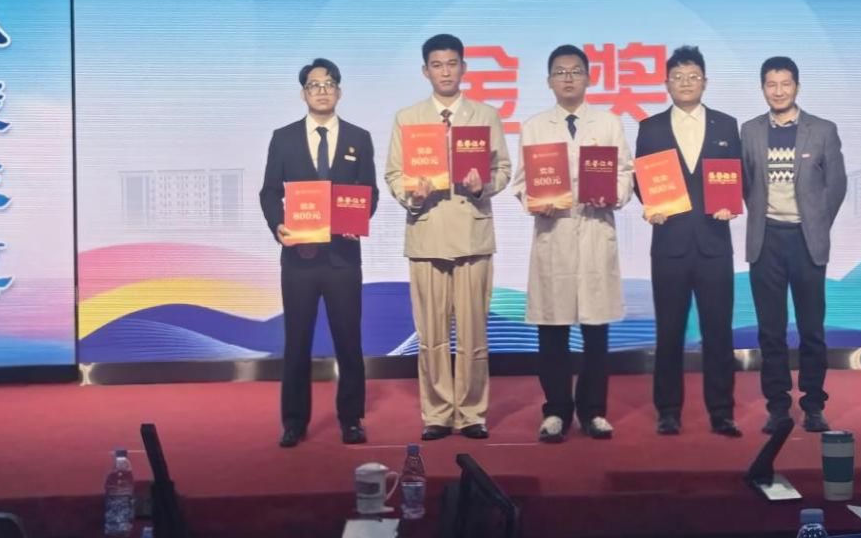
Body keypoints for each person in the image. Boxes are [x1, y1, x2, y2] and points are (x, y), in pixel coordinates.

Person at [385, 33, 511, 440]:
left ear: (463, 68)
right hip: (427, 235)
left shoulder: (485, 115)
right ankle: (437, 412)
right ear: (426, 71)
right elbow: (393, 174)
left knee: (473, 332)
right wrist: (412, 193)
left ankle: (472, 412)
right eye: (437, 65)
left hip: (472, 234)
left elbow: (504, 170)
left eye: (452, 63)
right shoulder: (408, 118)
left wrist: (482, 186)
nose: (445, 72)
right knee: (432, 335)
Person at [511, 45, 633, 443]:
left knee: (596, 332)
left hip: (595, 231)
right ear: (549, 81)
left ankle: (594, 411)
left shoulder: (608, 123)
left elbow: (625, 174)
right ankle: (556, 411)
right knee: (553, 331)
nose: (568, 78)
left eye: (575, 71)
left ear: (588, 78)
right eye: (560, 72)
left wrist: (612, 195)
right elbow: (521, 183)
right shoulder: (534, 126)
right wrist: (536, 200)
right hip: (555, 235)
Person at [259, 57, 379, 448]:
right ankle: (293, 421)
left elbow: (370, 192)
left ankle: (352, 419)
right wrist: (279, 225)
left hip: (344, 258)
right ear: (303, 94)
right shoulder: (284, 138)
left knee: (349, 341)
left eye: (328, 84)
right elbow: (270, 192)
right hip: (300, 259)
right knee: (297, 342)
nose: (322, 91)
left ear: (339, 91)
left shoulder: (359, 137)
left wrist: (359, 216)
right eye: (314, 85)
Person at [633, 45, 742, 438]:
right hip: (670, 244)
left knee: (719, 332)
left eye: (693, 77)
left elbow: (739, 175)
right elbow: (641, 180)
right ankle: (668, 411)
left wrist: (734, 203)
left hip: (714, 243)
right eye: (677, 77)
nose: (685, 83)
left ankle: (722, 412)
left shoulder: (726, 125)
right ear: (666, 83)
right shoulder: (651, 127)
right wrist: (651, 206)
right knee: (669, 332)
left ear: (705, 82)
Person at [741, 56, 846, 434]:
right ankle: (778, 407)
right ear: (762, 88)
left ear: (797, 87)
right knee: (770, 331)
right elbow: (745, 183)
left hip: (806, 241)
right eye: (771, 84)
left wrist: (815, 224)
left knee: (811, 328)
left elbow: (837, 185)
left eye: (785, 84)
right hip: (766, 240)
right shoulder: (749, 131)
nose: (779, 91)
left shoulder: (823, 130)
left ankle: (814, 405)